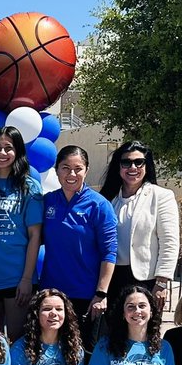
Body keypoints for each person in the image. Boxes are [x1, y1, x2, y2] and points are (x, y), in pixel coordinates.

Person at [39, 145, 117, 345]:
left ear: (86, 170)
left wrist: (101, 294)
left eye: (78, 168)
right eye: (65, 167)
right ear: (56, 170)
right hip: (52, 296)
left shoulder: (99, 205)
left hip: (86, 297)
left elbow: (109, 252)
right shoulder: (47, 202)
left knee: (81, 356)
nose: (71, 174)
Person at [0, 126, 42, 340]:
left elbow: (35, 237)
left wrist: (26, 279)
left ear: (18, 152)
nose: (2, 153)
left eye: (8, 148)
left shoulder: (29, 187)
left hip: (17, 279)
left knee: (18, 341)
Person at [99, 141, 179, 312]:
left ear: (146, 165)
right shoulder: (107, 199)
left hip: (146, 279)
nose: (132, 167)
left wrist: (162, 282)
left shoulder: (161, 196)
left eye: (138, 162)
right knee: (113, 333)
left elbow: (169, 242)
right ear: (118, 166)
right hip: (111, 279)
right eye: (126, 162)